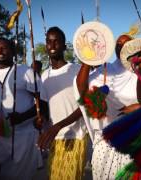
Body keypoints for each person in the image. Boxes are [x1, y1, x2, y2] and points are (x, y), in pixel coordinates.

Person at [74, 34, 141, 179]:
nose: (122, 47)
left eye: (127, 44)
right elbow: (82, 91)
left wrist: (137, 108)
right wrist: (88, 58)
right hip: (105, 145)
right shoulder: (105, 70)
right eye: (118, 44)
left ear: (135, 48)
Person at [0, 37, 42, 180]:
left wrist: (23, 117)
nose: (0, 51)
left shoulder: (25, 71)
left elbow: (42, 103)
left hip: (23, 136)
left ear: (12, 51)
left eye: (4, 48)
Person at [37, 26, 88, 180]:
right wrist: (40, 119)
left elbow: (85, 105)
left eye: (56, 42)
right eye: (48, 42)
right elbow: (45, 108)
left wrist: (59, 125)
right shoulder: (44, 76)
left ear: (64, 46)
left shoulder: (77, 70)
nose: (52, 46)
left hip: (75, 137)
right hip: (54, 138)